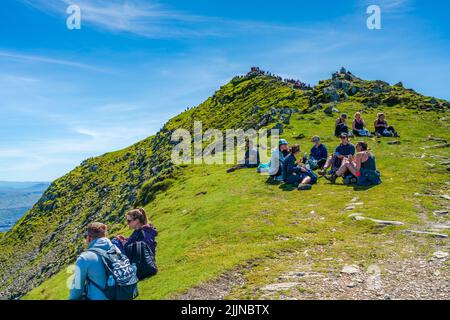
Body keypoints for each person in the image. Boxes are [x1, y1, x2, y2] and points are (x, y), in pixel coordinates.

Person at [69, 223, 117, 300]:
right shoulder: (116, 249)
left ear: (89, 238)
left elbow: (76, 291)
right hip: (121, 295)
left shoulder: (84, 258)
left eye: (85, 237)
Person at [112, 208, 158, 280]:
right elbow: (135, 242)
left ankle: (117, 272)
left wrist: (125, 244)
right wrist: (124, 240)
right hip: (139, 258)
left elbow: (142, 249)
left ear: (137, 221)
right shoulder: (139, 231)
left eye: (129, 221)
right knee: (116, 241)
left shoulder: (144, 232)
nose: (128, 223)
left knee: (115, 243)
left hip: (142, 261)